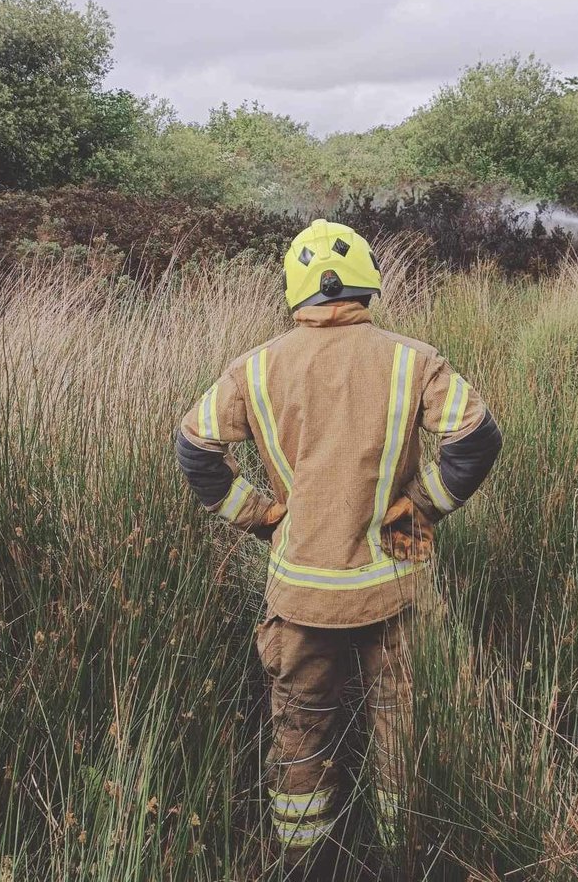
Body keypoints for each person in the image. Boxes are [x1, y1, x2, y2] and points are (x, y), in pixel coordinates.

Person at [175, 219, 502, 873]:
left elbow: (195, 447)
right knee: (403, 731)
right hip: (398, 582)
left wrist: (262, 517)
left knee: (301, 736)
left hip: (300, 592)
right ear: (367, 283)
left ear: (299, 288)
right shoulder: (414, 359)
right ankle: (401, 855)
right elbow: (477, 438)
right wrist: (425, 504)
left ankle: (304, 863)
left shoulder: (255, 368)